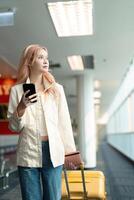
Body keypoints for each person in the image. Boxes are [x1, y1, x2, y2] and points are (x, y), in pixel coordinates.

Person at [7, 44, 76, 200]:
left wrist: (70, 153)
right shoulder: (17, 91)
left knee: (53, 197)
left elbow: (64, 123)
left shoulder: (56, 89)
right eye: (40, 57)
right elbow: (14, 127)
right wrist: (21, 107)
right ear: (29, 62)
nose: (45, 61)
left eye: (46, 58)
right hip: (28, 152)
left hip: (53, 151)